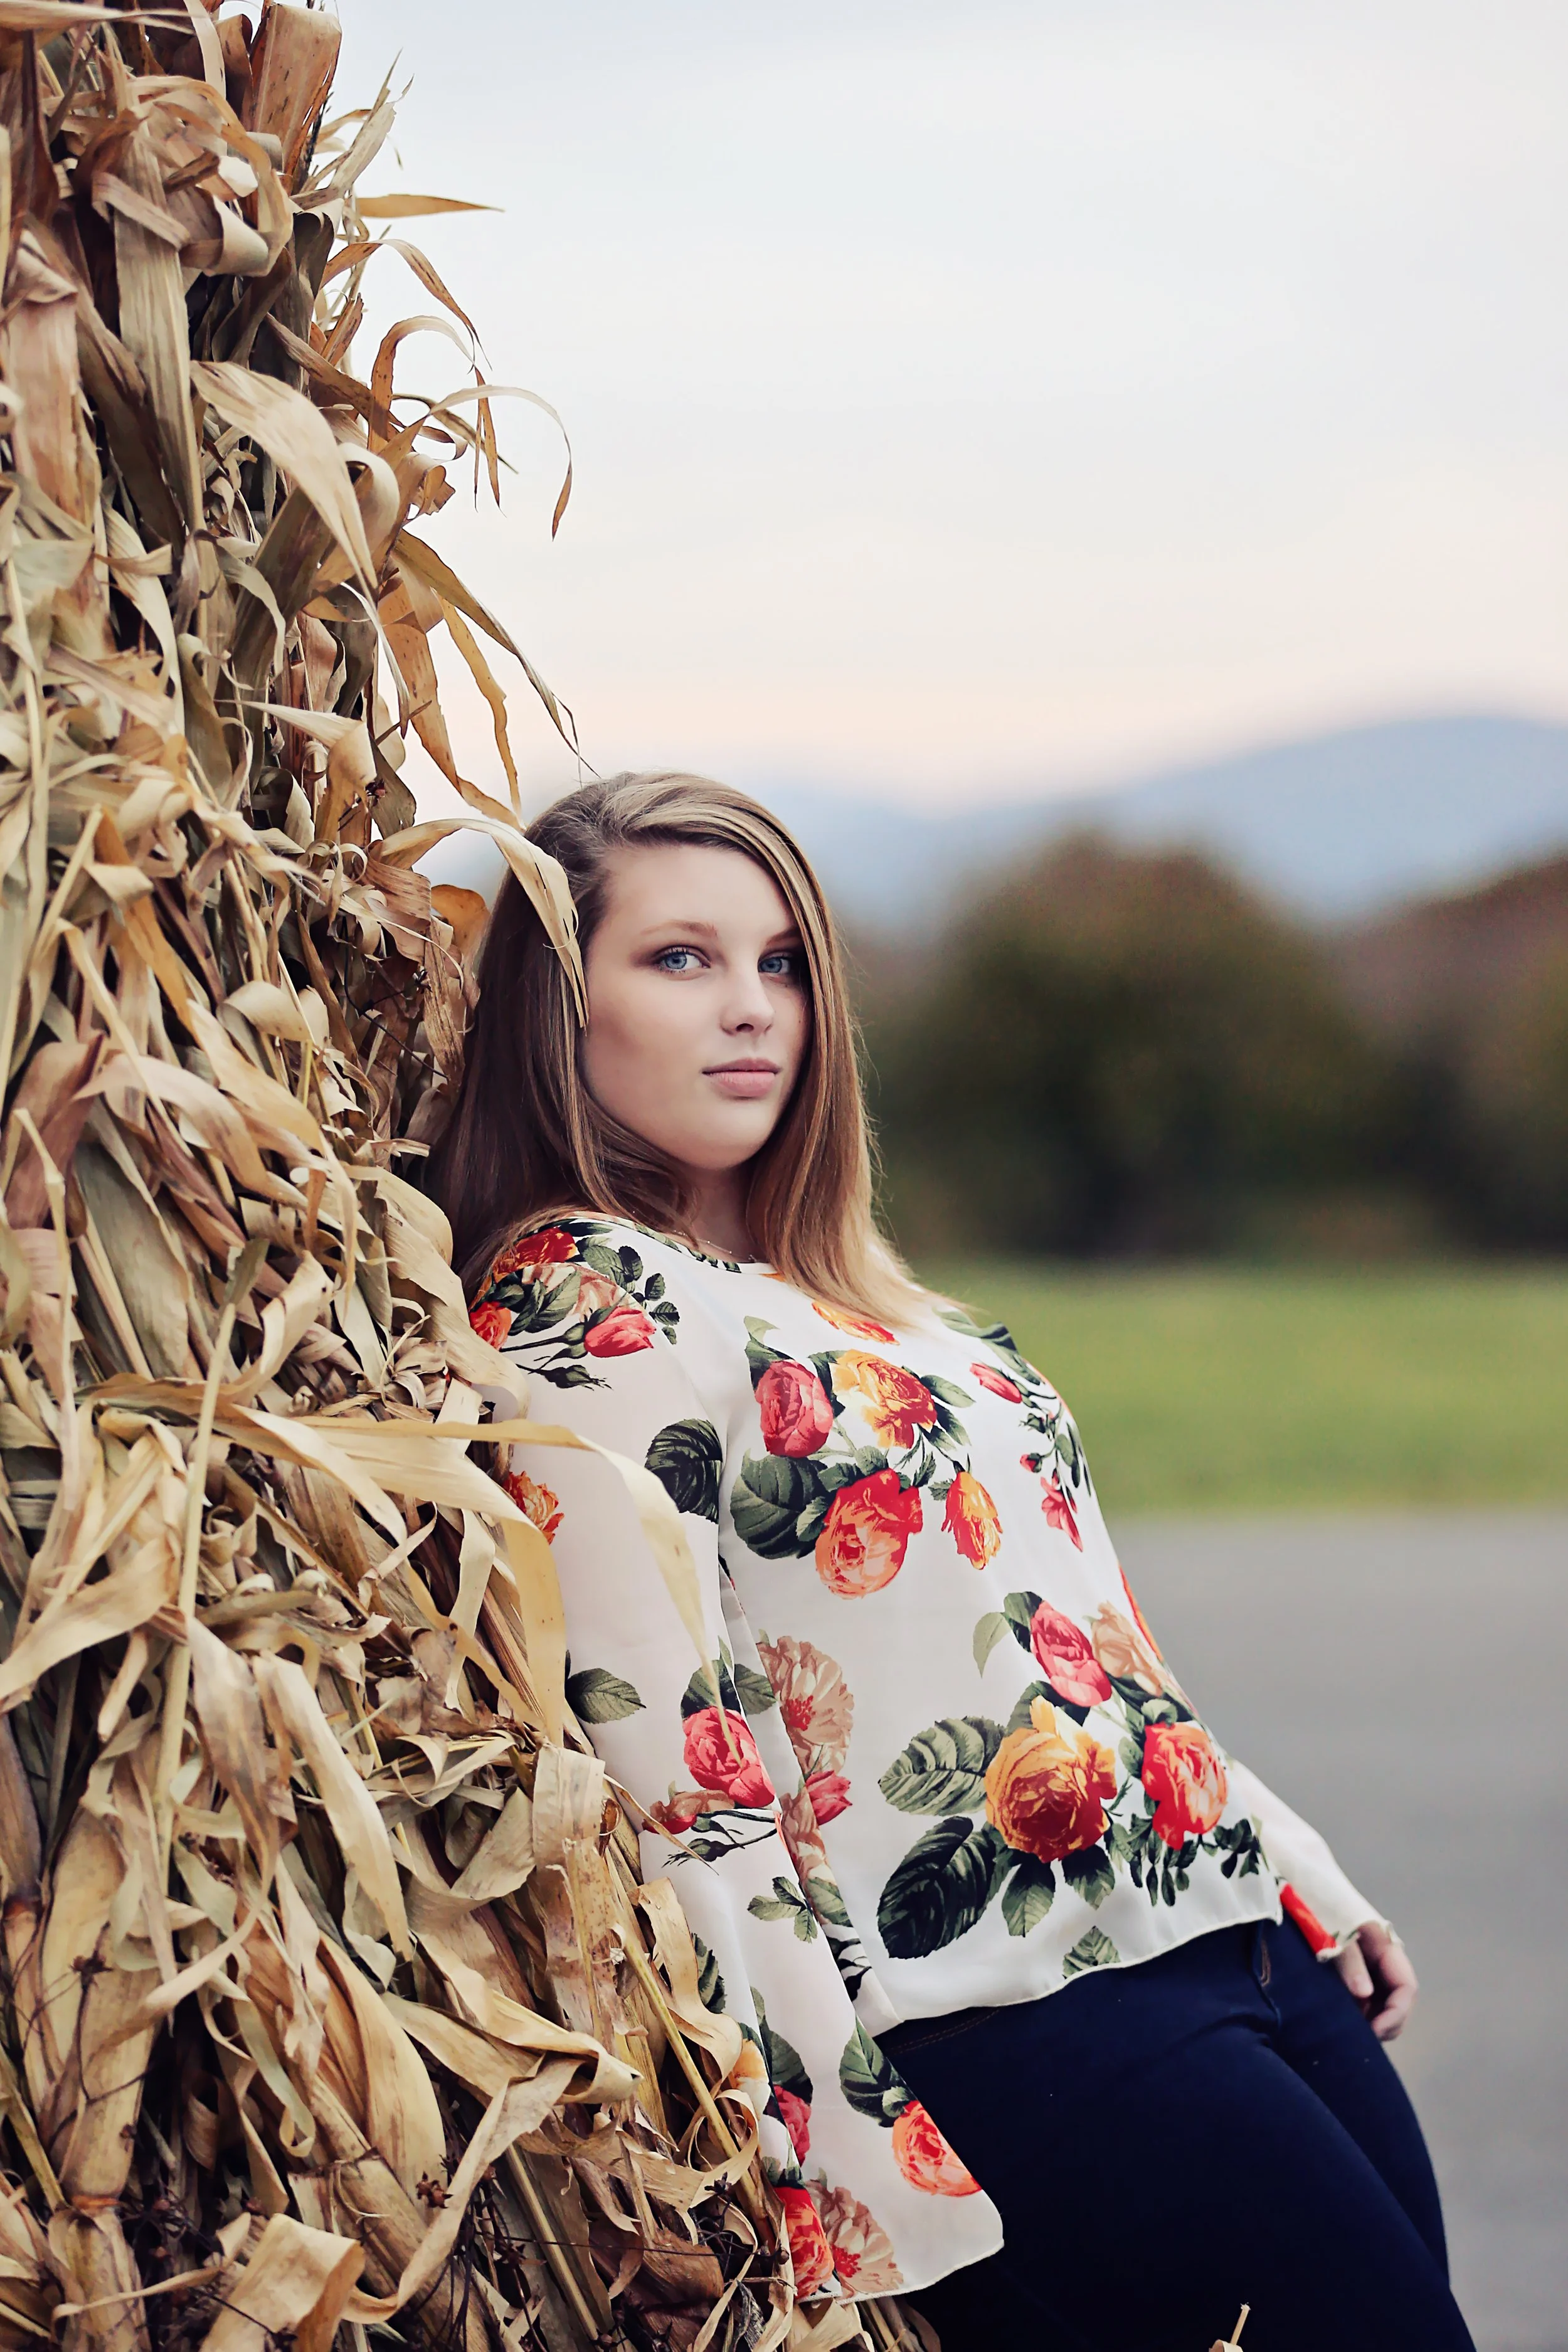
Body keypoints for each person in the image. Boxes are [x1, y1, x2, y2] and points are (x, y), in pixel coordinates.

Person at [430, 772, 1473, 2352]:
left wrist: (1273, 1845)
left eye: (783, 964)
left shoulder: (856, 1292)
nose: (750, 1010)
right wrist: (839, 2156)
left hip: (1224, 1936)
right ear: (555, 1007)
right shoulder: (581, 1303)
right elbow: (674, 1769)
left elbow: (1067, 1626)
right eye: (679, 960)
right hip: (1014, 2019)